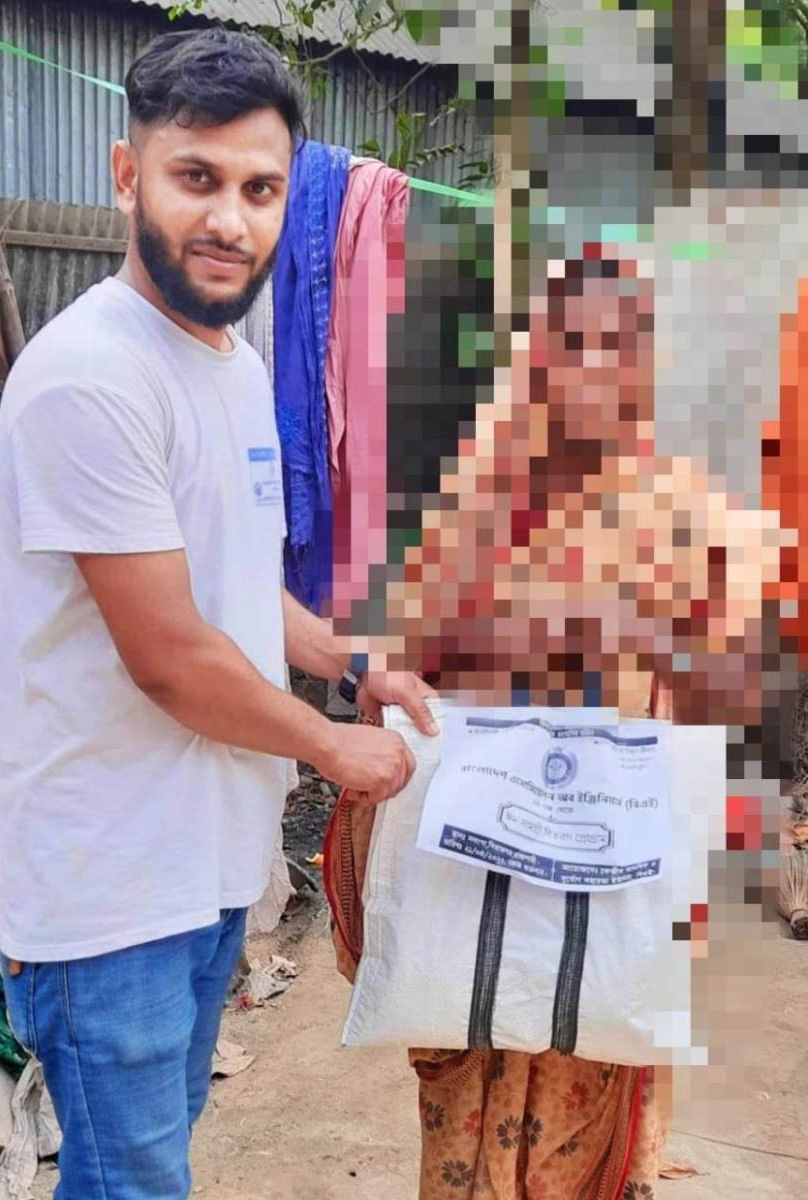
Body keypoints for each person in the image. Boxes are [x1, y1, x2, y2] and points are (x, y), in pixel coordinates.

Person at [0, 28, 436, 1200]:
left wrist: (353, 665)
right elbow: (173, 656)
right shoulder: (90, 375)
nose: (230, 220)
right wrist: (333, 746)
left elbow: (232, 588)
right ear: (126, 173)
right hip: (110, 891)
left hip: (206, 866)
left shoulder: (231, 364)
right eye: (197, 178)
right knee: (131, 1182)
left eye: (259, 189)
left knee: (156, 1155)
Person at [329, 248, 782, 1198]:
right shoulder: (478, 489)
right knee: (467, 1064)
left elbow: (728, 679)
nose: (598, 371)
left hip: (613, 850)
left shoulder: (685, 505)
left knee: (595, 1056)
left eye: (624, 346)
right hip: (479, 850)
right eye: (576, 343)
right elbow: (400, 642)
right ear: (537, 355)